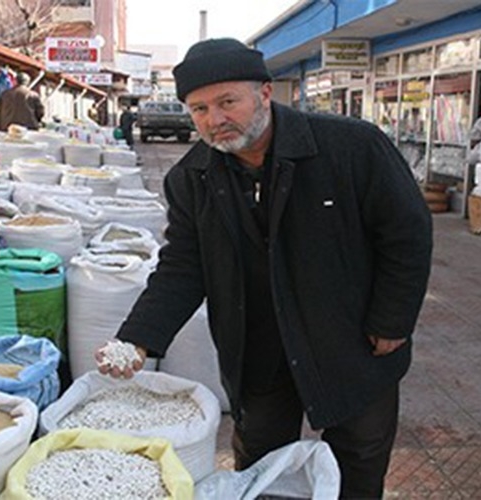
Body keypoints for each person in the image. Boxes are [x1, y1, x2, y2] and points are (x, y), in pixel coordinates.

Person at [96, 38, 433, 499]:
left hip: (351, 342)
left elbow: (406, 233)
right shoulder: (191, 180)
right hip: (258, 352)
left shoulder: (350, 147)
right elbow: (181, 266)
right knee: (262, 470)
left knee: (358, 461)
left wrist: (393, 319)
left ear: (266, 94)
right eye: (199, 109)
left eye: (227, 101)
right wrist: (138, 336)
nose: (215, 120)